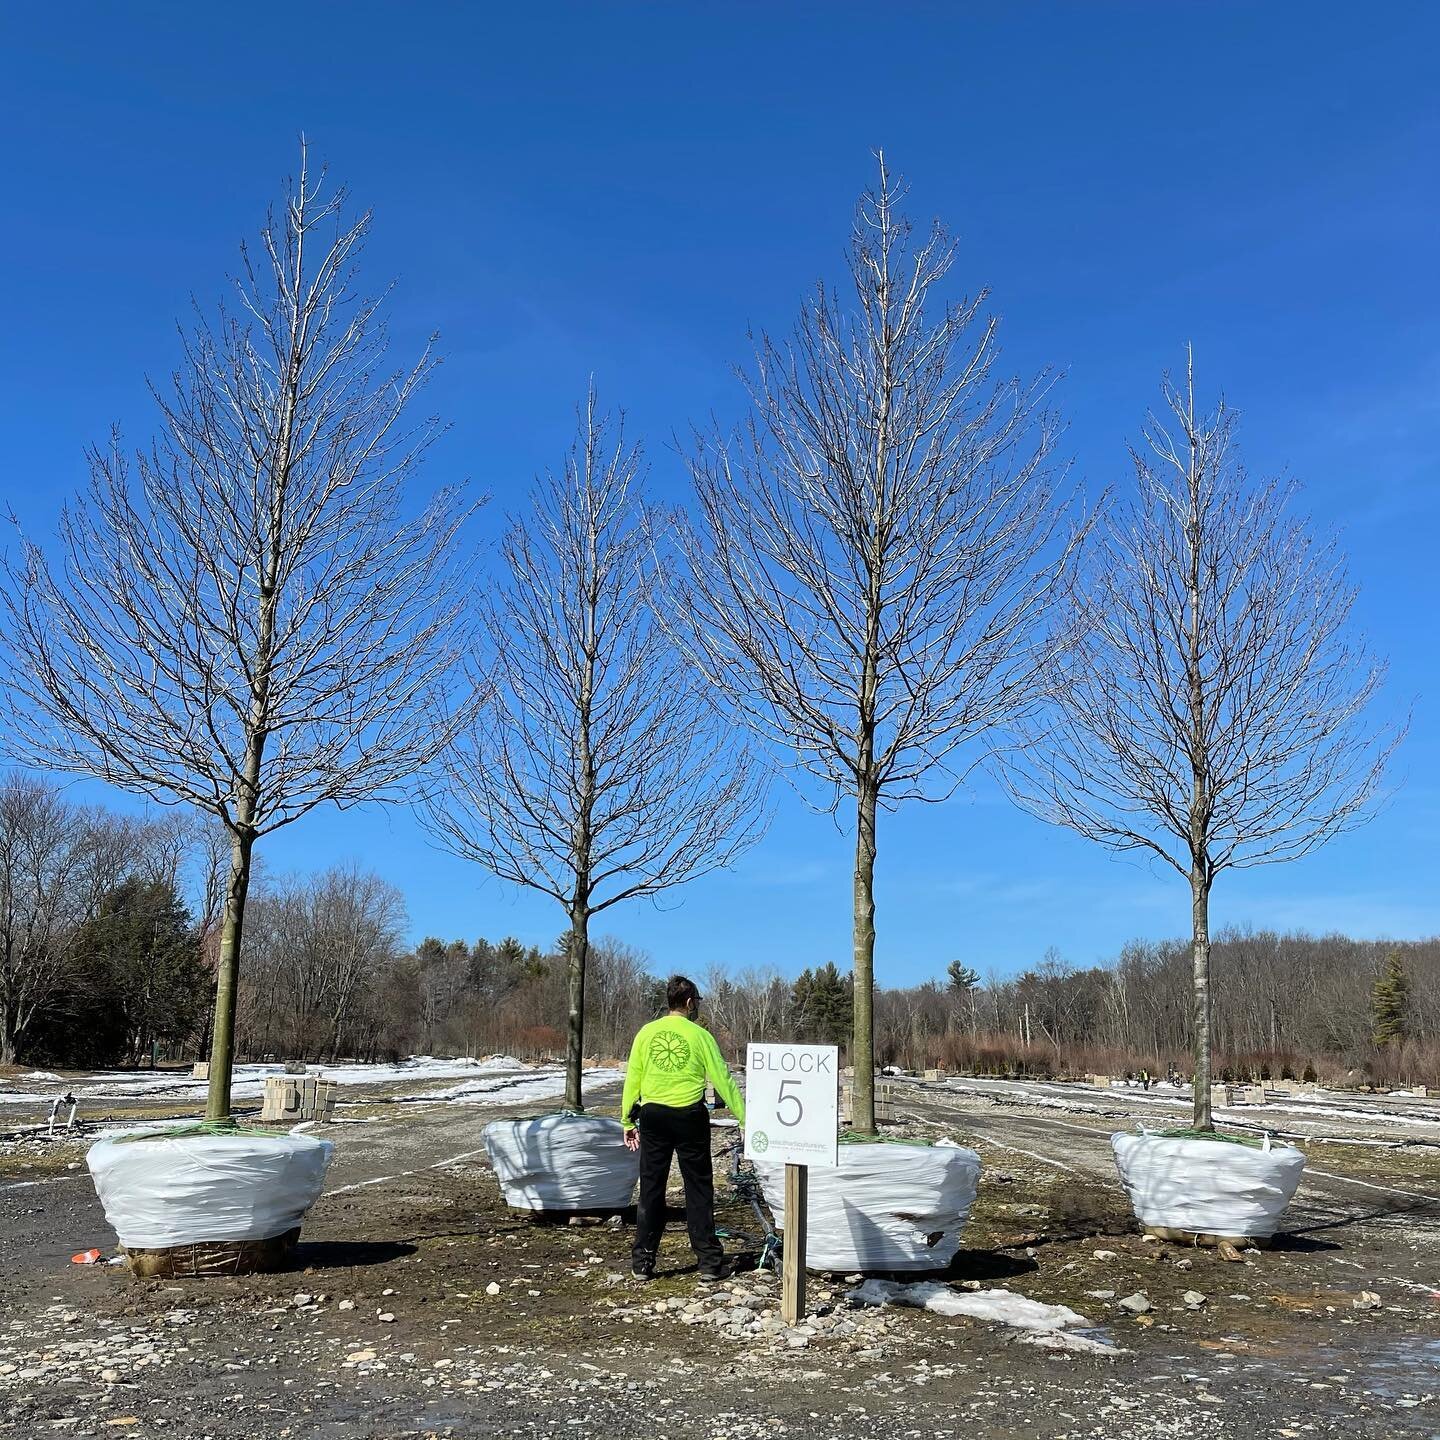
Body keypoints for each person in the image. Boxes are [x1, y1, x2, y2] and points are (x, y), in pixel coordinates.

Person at [622, 974, 745, 1281]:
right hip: (690, 1116)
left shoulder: (646, 1034)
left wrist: (626, 1119)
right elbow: (722, 1078)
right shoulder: (700, 1035)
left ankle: (642, 1262)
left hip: (653, 1115)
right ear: (690, 1003)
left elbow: (632, 1078)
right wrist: (745, 1118)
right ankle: (709, 1263)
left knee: (651, 1187)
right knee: (698, 1188)